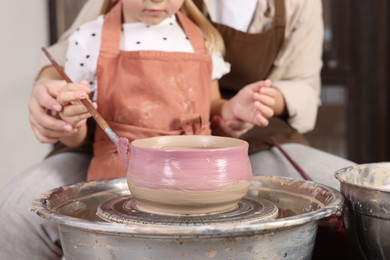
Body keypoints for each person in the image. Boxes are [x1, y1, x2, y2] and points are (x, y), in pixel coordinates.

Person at [0, 0, 355, 259]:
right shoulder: (96, 32)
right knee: (15, 211)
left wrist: (257, 103)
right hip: (115, 148)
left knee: (353, 201)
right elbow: (58, 64)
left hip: (233, 140)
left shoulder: (200, 34)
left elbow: (302, 88)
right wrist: (56, 104)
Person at [56, 0, 276, 180]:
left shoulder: (200, 37)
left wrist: (231, 109)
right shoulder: (89, 39)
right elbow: (76, 135)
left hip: (198, 174)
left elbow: (212, 104)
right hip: (122, 176)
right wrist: (70, 121)